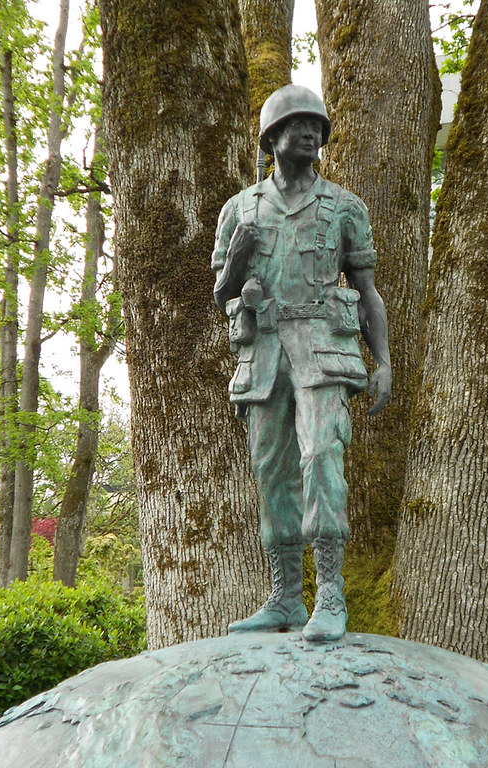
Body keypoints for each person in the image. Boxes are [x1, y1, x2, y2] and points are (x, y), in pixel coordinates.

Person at [211, 84, 391, 642]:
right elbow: (222, 293)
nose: (311, 133)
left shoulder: (344, 207)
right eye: (298, 125)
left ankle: (331, 593)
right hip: (264, 351)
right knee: (273, 474)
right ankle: (285, 597)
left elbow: (368, 290)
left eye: (317, 125)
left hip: (323, 347)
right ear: (272, 138)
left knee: (321, 460)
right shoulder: (239, 208)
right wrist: (240, 263)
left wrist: (382, 359)